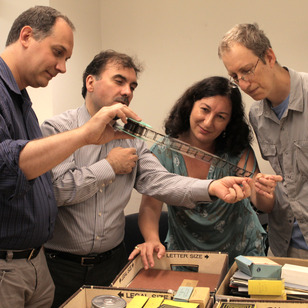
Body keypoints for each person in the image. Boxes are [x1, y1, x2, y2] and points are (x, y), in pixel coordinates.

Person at [41, 51, 255, 307]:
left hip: (112, 266)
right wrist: (108, 167)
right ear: (90, 83)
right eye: (119, 81)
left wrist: (211, 186)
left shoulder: (132, 136)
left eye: (132, 86)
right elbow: (57, 192)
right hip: (60, 267)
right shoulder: (57, 130)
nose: (127, 91)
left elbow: (161, 182)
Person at [0, 6, 142, 308]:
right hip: (11, 265)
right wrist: (86, 137)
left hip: (33, 262)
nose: (63, 67)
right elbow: (8, 165)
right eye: (58, 52)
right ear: (26, 36)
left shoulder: (22, 101)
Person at [129, 76, 282, 269]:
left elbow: (264, 205)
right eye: (205, 110)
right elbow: (151, 206)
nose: (209, 122)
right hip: (187, 257)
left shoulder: (237, 150)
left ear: (229, 122)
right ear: (190, 106)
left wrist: (264, 191)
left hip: (242, 255)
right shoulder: (164, 151)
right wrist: (152, 239)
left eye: (221, 117)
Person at [218, 23, 308, 259]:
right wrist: (263, 189)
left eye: (247, 71)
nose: (244, 84)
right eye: (235, 77)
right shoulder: (256, 115)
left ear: (269, 56)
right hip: (284, 246)